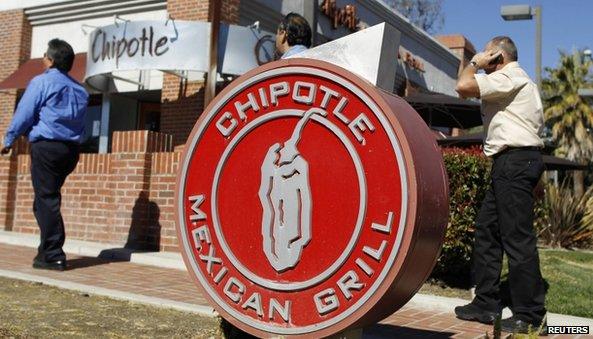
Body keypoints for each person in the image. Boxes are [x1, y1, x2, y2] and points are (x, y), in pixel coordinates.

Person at [454, 36, 547, 334]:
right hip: (516, 163)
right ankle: (485, 303)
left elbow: (463, 87)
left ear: (498, 56)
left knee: (516, 238)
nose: (482, 55)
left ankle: (532, 316)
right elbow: (531, 131)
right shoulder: (523, 83)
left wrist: (473, 62)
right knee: (487, 231)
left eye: (487, 51)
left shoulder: (509, 75)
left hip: (514, 163)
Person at [1, 39, 88, 271]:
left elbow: (25, 112)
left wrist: (9, 139)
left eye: (44, 55)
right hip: (70, 151)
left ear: (49, 60)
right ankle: (45, 251)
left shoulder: (41, 82)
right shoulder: (80, 89)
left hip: (47, 148)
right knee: (46, 200)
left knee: (46, 200)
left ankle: (53, 254)